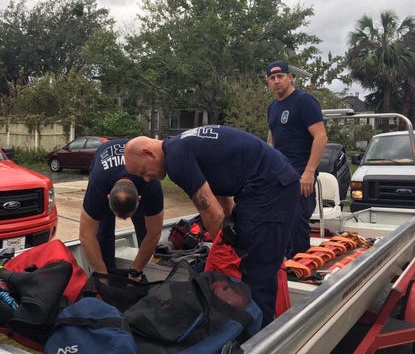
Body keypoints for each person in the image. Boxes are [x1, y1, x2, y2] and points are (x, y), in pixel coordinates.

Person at [124, 126, 300, 327]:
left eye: (144, 171)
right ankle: (252, 326)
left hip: (269, 187)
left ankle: (259, 339)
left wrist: (224, 252)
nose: (147, 179)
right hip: (269, 183)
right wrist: (233, 231)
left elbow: (211, 212)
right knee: (250, 258)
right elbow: (221, 197)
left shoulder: (176, 160)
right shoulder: (182, 145)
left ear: (148, 153)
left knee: (256, 269)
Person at [266, 61, 328, 258]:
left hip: (301, 174)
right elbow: (272, 138)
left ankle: (301, 268)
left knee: (296, 220)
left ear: (289, 77)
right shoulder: (273, 107)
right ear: (268, 81)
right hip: (279, 174)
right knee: (276, 220)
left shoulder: (304, 101)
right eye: (272, 78)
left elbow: (321, 136)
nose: (276, 81)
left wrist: (309, 172)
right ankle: (283, 265)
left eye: (280, 76)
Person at [79, 138, 164, 281]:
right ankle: (109, 272)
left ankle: (142, 268)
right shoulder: (98, 185)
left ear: (139, 199)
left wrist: (136, 270)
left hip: (136, 183)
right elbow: (86, 236)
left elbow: (154, 233)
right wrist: (103, 278)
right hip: (105, 163)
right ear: (107, 197)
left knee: (145, 228)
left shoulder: (151, 184)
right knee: (104, 232)